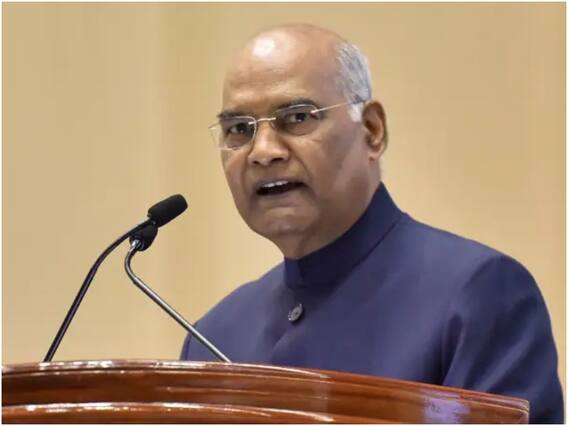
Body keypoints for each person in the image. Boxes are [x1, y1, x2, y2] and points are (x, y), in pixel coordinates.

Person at [180, 24, 563, 423]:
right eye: (239, 129)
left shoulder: (478, 296)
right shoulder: (215, 335)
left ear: (372, 131)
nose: (263, 152)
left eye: (296, 117)